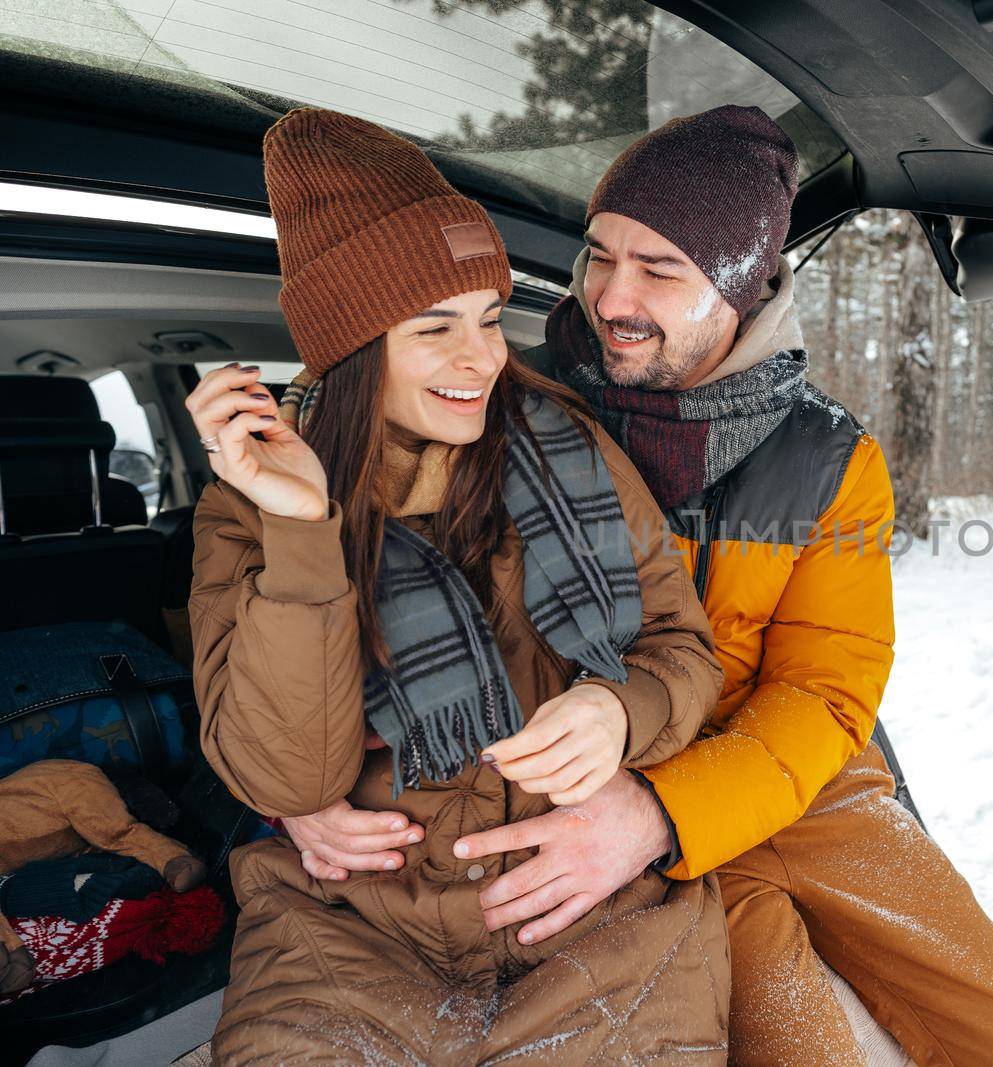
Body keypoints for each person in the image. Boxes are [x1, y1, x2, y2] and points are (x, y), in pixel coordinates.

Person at [286, 105, 993, 1067]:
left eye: (660, 270)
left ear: (739, 287)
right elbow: (349, 605)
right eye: (600, 254)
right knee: (803, 1048)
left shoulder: (829, 459)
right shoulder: (501, 403)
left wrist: (665, 811)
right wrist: (301, 788)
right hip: (579, 786)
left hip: (789, 780)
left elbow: (828, 688)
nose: (611, 296)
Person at [185, 108, 729, 1063]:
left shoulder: (572, 444)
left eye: (488, 317)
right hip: (348, 932)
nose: (482, 358)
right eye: (435, 327)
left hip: (600, 917)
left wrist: (620, 710)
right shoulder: (249, 504)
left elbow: (681, 653)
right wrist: (305, 532)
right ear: (353, 346)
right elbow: (284, 777)